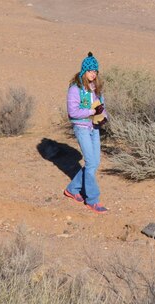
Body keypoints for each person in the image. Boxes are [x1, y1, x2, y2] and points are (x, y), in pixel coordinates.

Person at [63, 51, 109, 213]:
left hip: (94, 128)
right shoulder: (75, 89)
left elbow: (101, 106)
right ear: (84, 71)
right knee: (91, 163)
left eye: (95, 71)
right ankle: (92, 200)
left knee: (95, 163)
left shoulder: (96, 88)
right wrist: (90, 112)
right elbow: (73, 112)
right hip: (82, 128)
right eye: (90, 71)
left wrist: (104, 116)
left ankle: (72, 189)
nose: (93, 74)